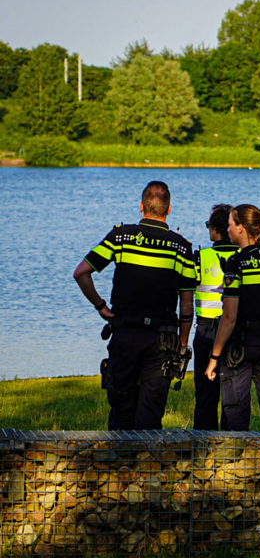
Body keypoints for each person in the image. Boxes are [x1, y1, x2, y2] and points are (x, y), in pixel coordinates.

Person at [73, 181, 196, 430]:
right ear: (168, 209)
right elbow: (186, 305)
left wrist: (100, 306)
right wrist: (183, 346)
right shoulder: (181, 247)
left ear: (141, 207)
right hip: (162, 339)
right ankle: (148, 466)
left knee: (121, 408)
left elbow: (81, 273)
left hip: (125, 333)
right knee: (150, 415)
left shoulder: (120, 236)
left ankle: (119, 465)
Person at [204, 204, 260, 431]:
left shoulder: (236, 263)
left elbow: (230, 317)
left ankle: (234, 464)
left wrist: (214, 356)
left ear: (241, 228)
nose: (228, 230)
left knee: (236, 417)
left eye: (231, 225)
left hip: (242, 348)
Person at [192, 204, 239, 430]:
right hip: (235, 330)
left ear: (214, 230)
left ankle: (202, 445)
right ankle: (231, 447)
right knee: (233, 392)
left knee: (205, 392)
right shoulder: (243, 256)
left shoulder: (200, 257)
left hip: (206, 330)